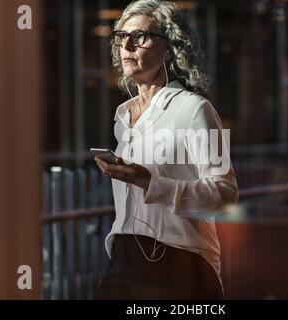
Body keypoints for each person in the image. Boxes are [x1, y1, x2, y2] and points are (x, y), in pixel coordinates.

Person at [94, 0, 238, 299]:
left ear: (170, 47)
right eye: (121, 37)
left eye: (139, 37)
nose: (127, 45)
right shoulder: (123, 116)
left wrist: (149, 181)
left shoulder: (195, 109)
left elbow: (225, 196)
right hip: (123, 255)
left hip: (178, 261)